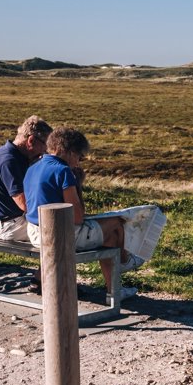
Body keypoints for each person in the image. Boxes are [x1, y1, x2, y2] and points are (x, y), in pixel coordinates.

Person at [24, 128, 143, 301]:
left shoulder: (33, 167)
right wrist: (77, 185)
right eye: (80, 157)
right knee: (117, 223)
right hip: (58, 234)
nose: (79, 163)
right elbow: (78, 216)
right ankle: (125, 262)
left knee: (110, 237)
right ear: (70, 152)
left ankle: (114, 290)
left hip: (35, 231)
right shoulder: (63, 171)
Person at [0, 116, 52, 242]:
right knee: (61, 232)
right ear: (31, 140)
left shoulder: (11, 155)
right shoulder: (9, 161)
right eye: (45, 146)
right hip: (11, 225)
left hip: (12, 220)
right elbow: (25, 204)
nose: (45, 151)